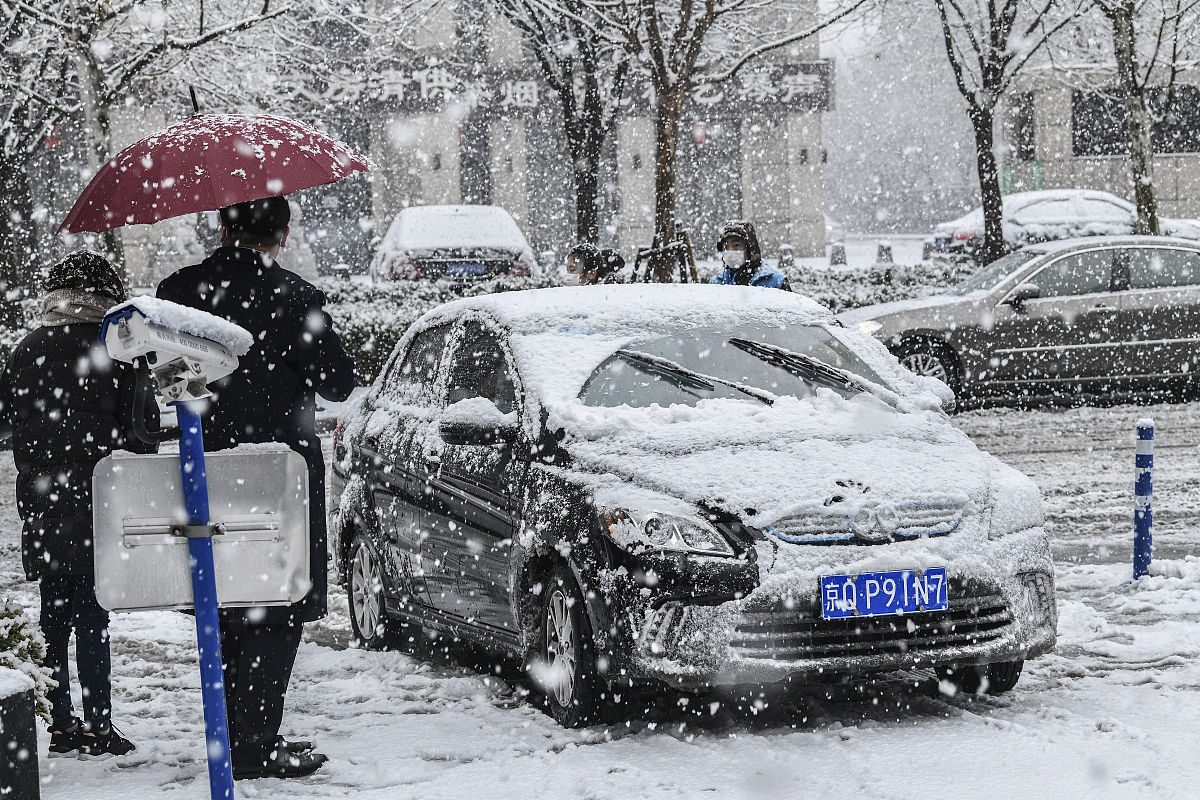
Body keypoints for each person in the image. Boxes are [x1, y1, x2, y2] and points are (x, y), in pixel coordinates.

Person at [156, 196, 355, 780]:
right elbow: (339, 382)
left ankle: (231, 733)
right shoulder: (295, 297)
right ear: (284, 234)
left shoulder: (178, 290)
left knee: (219, 595)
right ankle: (255, 739)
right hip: (280, 474)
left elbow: (159, 374)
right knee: (278, 600)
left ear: (221, 227)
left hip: (207, 465)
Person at [0, 251, 158, 757]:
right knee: (94, 614)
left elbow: (5, 420)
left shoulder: (27, 349)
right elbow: (144, 431)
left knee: (53, 612)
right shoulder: (118, 347)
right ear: (107, 295)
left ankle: (60, 722)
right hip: (101, 499)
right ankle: (99, 724)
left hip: (44, 498)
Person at [709, 221, 792, 291]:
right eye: (726, 247)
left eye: (736, 245)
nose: (730, 251)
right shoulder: (716, 283)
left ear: (750, 249)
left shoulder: (776, 283)